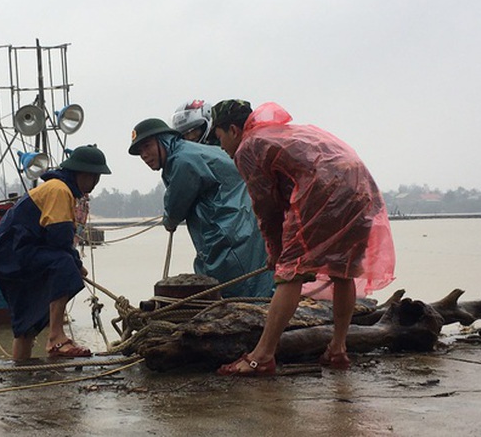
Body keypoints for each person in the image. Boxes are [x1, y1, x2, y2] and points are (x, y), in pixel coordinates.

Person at [211, 100, 396, 376]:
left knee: (290, 273)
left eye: (220, 137)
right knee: (343, 269)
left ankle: (262, 356)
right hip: (358, 185)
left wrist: (275, 250)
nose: (221, 146)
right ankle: (338, 349)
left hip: (322, 189)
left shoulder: (248, 146)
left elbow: (266, 206)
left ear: (234, 130)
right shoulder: (280, 133)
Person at [0, 145, 111, 361]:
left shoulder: (58, 189)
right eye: (96, 177)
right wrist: (77, 264)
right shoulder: (59, 190)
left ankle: (21, 368)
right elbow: (60, 239)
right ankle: (56, 337)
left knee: (27, 323)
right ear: (86, 174)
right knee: (63, 264)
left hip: (6, 255)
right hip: (12, 253)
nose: (95, 183)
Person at [128, 118, 274, 298]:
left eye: (147, 146)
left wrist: (169, 220)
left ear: (164, 140)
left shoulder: (182, 160)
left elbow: (175, 209)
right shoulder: (193, 151)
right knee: (253, 286)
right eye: (140, 151)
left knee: (235, 291)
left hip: (231, 233)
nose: (144, 155)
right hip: (244, 226)